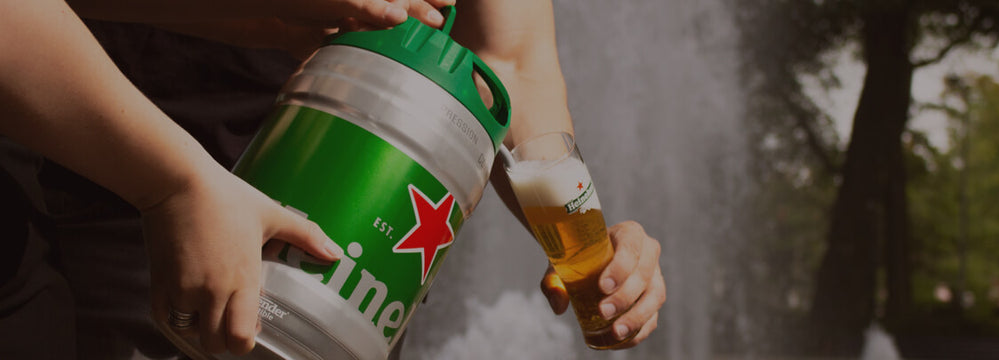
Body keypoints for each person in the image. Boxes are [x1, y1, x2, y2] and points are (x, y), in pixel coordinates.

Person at [0, 0, 665, 358]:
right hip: (121, 190)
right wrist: (173, 184)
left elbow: (512, 64)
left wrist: (585, 243)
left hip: (353, 240)